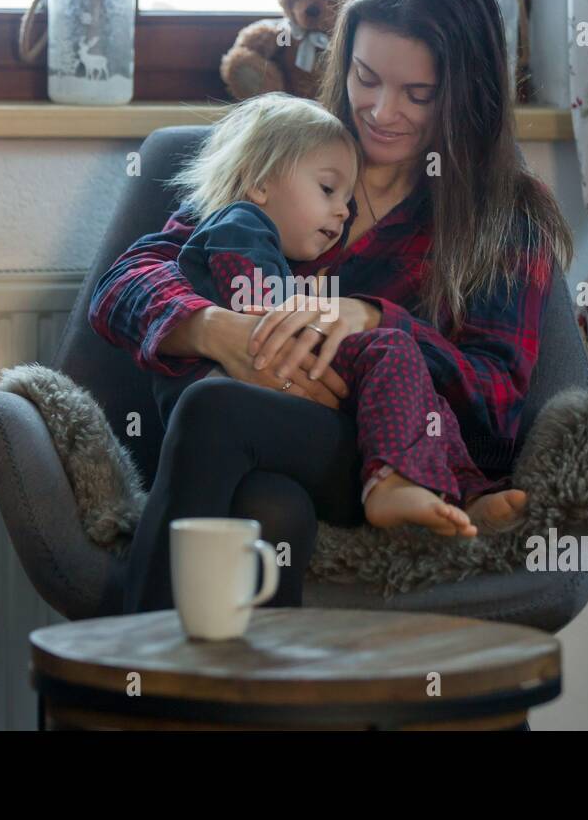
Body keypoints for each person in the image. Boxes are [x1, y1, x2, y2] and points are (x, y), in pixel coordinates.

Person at [89, 0, 575, 613]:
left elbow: (497, 406)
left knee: (212, 409)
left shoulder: (506, 217)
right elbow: (126, 282)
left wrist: (374, 318)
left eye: (418, 94)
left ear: (467, 93)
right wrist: (216, 330)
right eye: (366, 77)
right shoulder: (291, 147)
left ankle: (126, 685)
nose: (380, 110)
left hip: (384, 453)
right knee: (270, 505)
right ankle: (228, 705)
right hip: (260, 446)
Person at [146, 90, 529, 538]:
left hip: (262, 402)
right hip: (218, 392)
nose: (344, 211)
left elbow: (498, 396)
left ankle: (457, 492)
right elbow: (268, 314)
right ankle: (396, 480)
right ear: (261, 182)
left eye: (347, 198)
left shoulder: (505, 216)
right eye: (328, 189)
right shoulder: (240, 224)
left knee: (413, 389)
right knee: (390, 349)